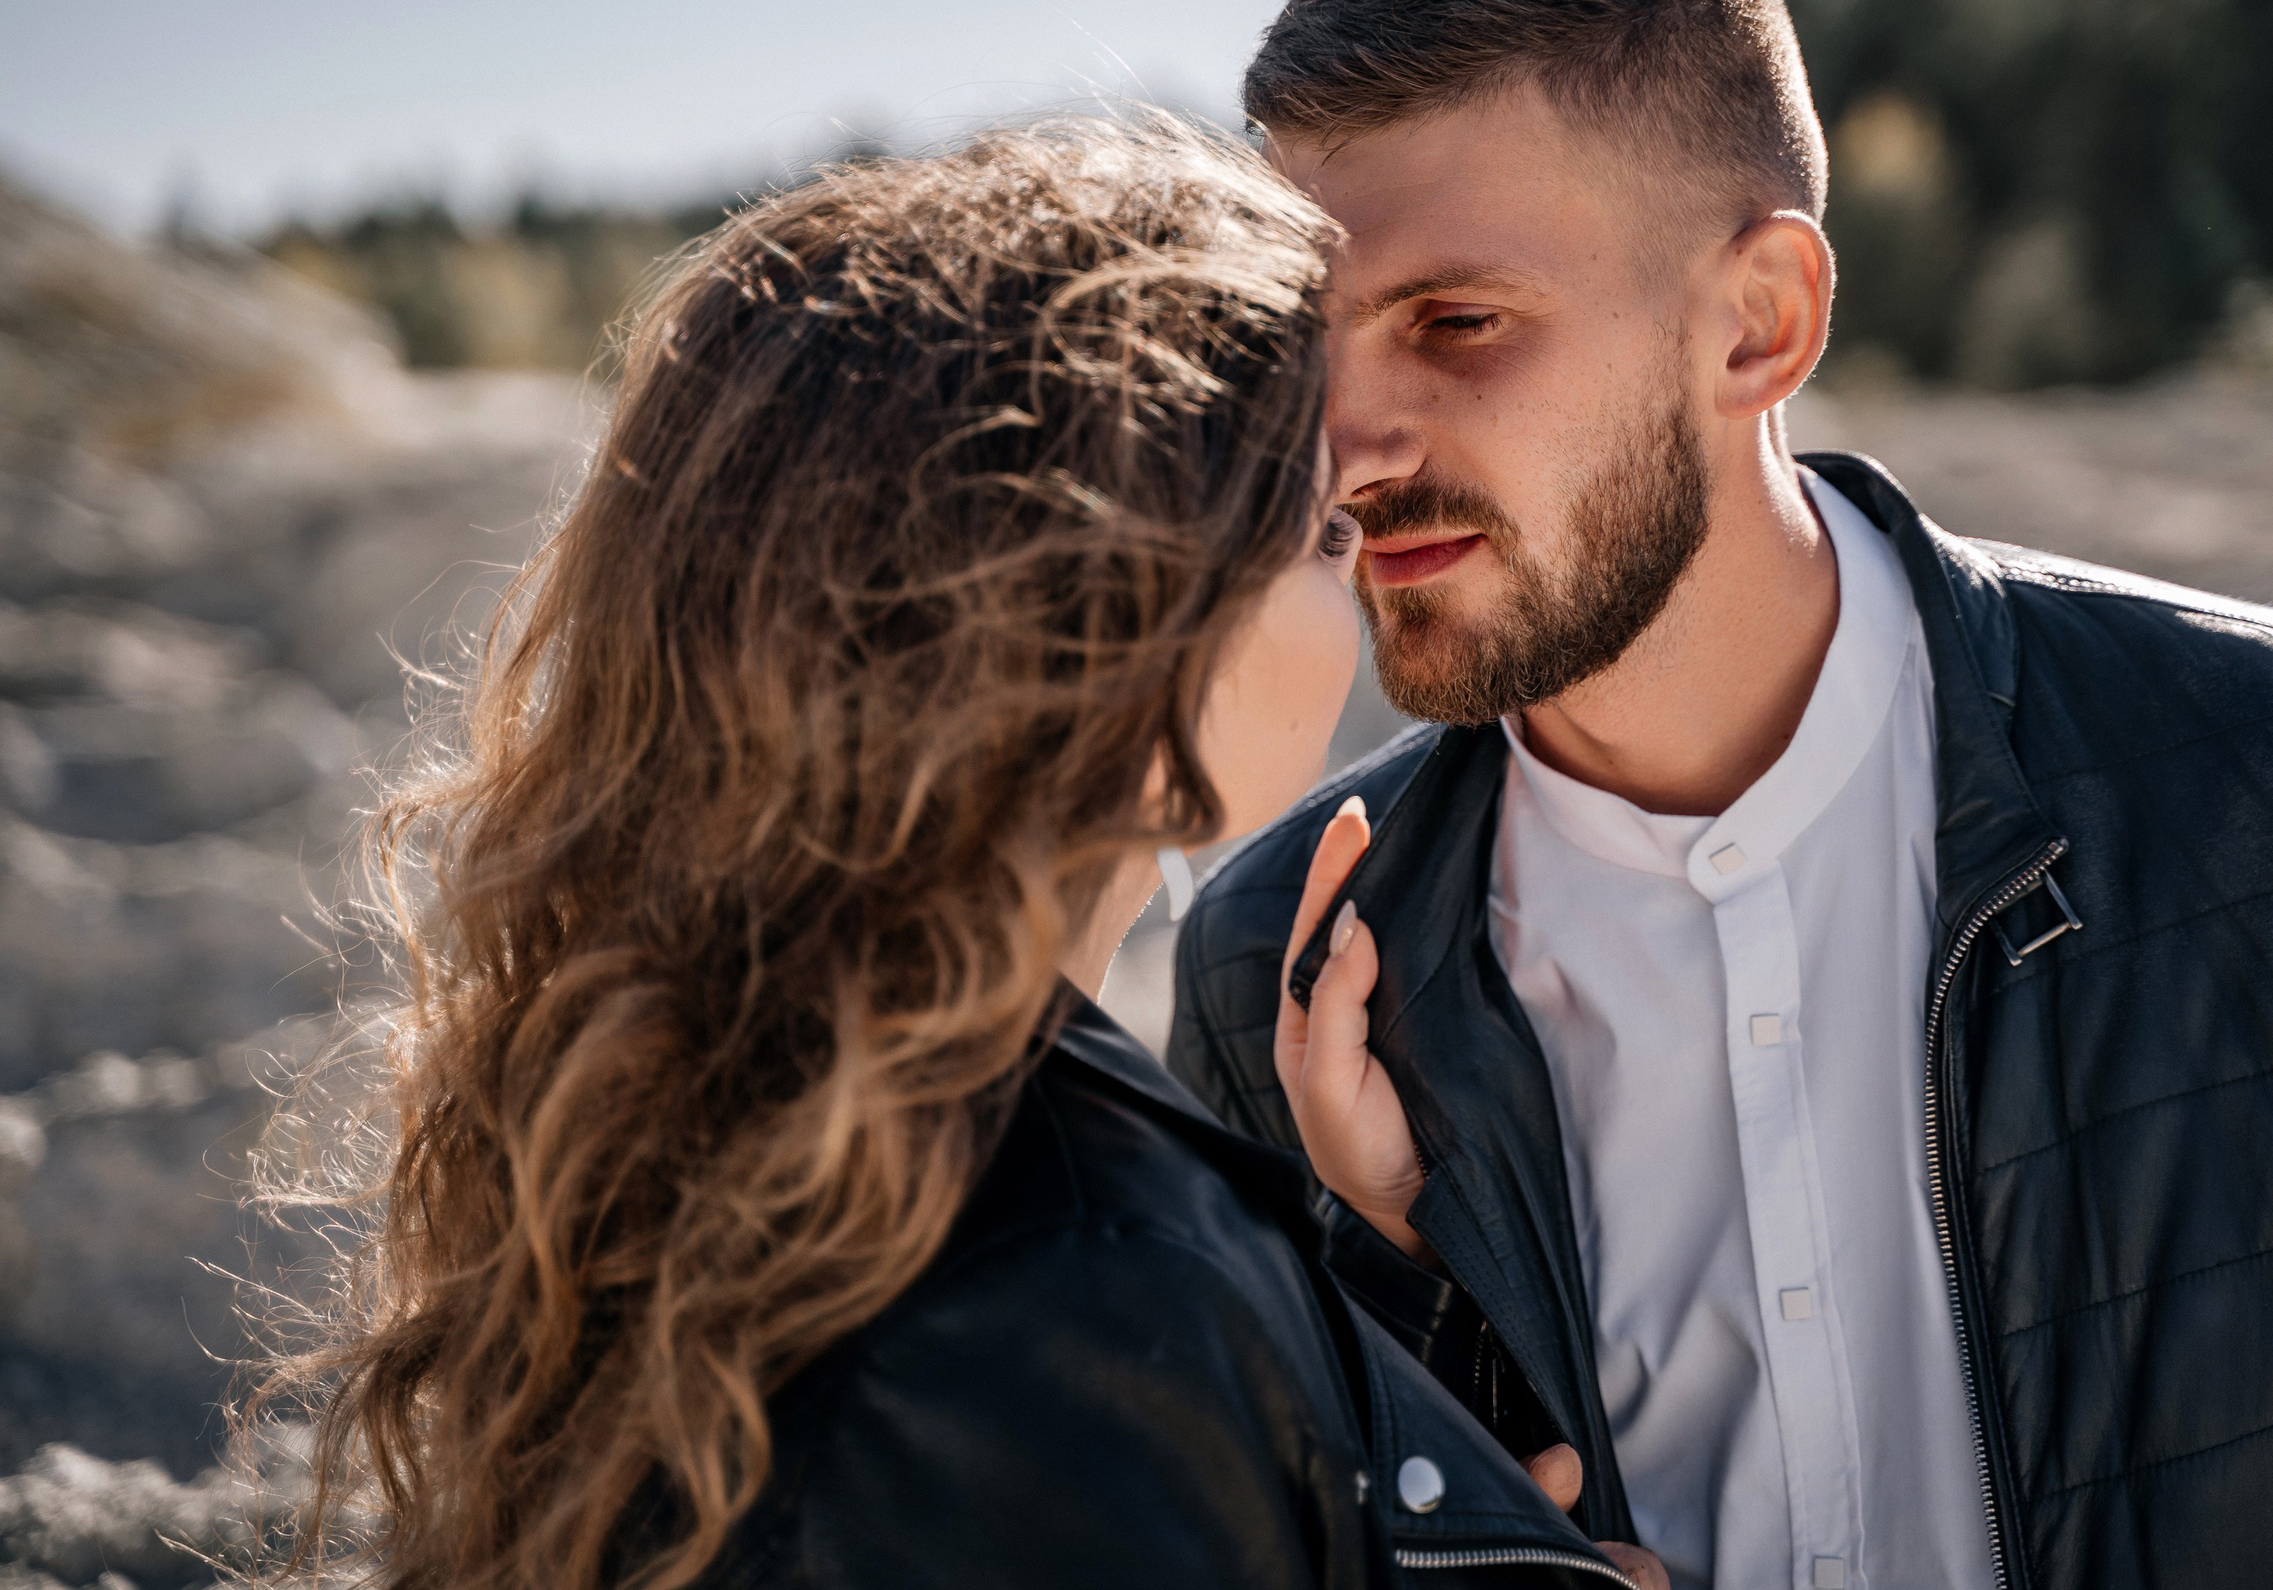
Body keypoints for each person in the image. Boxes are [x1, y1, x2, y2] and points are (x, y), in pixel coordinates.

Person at [1168, 0, 2273, 1589]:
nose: (1347, 444)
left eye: (1457, 324)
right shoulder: (1280, 976)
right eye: (1304, 341)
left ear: (1759, 322)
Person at [263, 116, 1667, 1590]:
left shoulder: (755, 1111)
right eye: (1320, 530)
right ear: (1117, 633)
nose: (1369, 582)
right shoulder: (1083, 1284)